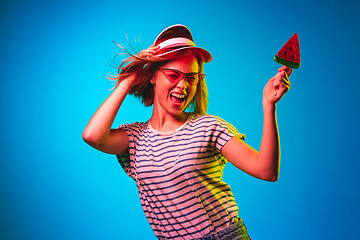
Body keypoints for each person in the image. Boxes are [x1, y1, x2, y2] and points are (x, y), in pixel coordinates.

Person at [83, 24, 292, 240]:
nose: (183, 85)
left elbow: (266, 171)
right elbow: (93, 136)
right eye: (174, 75)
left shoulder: (209, 127)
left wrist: (269, 105)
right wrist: (128, 81)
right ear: (153, 76)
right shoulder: (135, 138)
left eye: (191, 77)